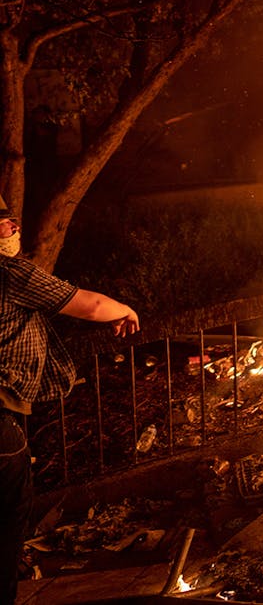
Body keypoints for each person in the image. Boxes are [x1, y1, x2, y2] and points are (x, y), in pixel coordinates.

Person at [0, 208, 139, 605]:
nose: (14, 228)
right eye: (3, 223)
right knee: (8, 521)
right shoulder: (11, 273)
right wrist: (125, 312)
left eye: (12, 220)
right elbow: (89, 305)